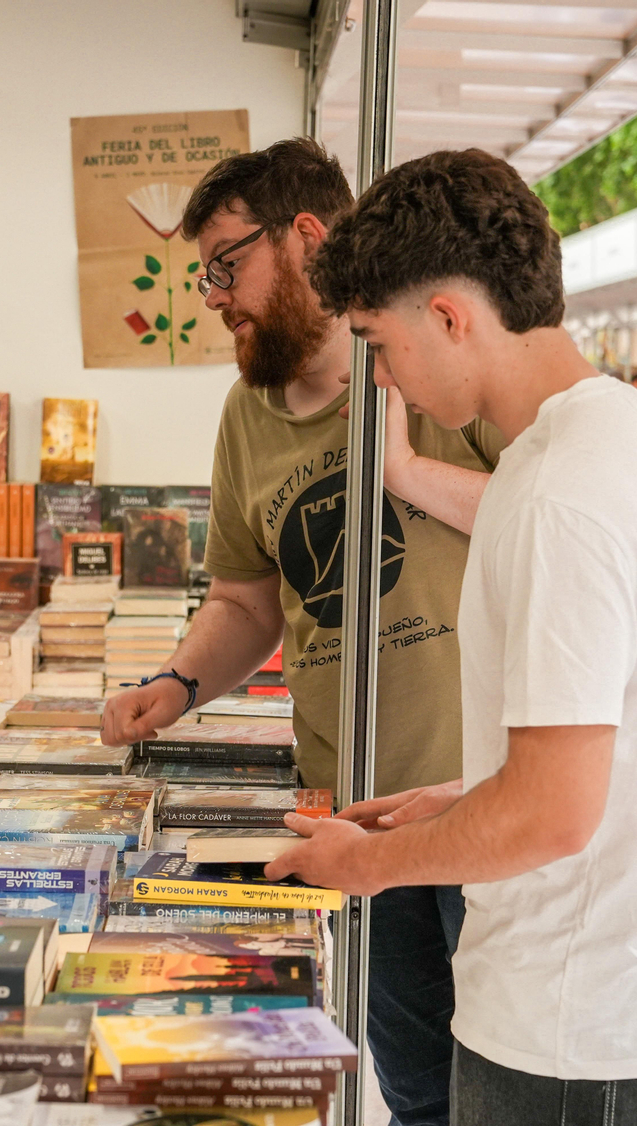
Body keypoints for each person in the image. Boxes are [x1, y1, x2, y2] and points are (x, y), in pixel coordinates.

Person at [274, 148, 637, 1126]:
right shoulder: (618, 435)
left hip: (570, 1019)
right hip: (618, 987)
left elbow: (552, 816)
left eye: (377, 339)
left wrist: (360, 865)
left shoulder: (557, 497)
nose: (378, 373)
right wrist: (453, 797)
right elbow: (605, 747)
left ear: (449, 316)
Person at [96, 137, 503, 1126]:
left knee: (503, 1092)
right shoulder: (246, 416)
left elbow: (553, 512)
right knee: (412, 1093)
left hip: (482, 799)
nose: (213, 294)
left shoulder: (436, 368)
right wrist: (179, 684)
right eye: (203, 274)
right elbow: (245, 600)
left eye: (226, 263)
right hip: (353, 817)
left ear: (307, 236)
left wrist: (405, 470)